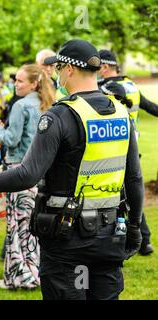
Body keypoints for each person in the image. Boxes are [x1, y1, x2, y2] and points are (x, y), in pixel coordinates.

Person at [0, 39, 144, 300]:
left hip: (67, 236)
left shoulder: (59, 116)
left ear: (70, 70)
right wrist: (134, 226)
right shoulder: (121, 112)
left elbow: (27, 174)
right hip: (109, 234)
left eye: (60, 67)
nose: (57, 74)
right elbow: (134, 178)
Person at [0, 64, 55, 290]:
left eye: (19, 81)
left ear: (34, 82)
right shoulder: (49, 103)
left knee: (16, 225)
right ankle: (34, 273)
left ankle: (19, 278)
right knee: (32, 225)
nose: (15, 84)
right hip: (40, 173)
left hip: (18, 171)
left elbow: (11, 140)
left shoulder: (21, 105)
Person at [98, 49, 157, 256]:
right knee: (134, 192)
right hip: (134, 146)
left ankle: (129, 238)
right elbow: (151, 107)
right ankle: (145, 240)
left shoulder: (105, 88)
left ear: (105, 67)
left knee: (121, 196)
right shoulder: (130, 85)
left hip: (115, 148)